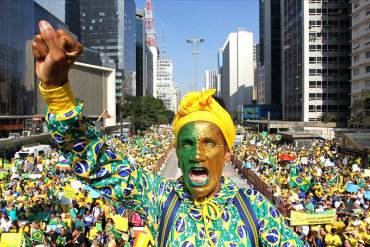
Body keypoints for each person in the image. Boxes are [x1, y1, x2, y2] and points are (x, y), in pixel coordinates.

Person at [33, 20, 304, 246]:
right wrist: (57, 91)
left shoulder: (254, 208)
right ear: (176, 152)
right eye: (187, 144)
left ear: (227, 154)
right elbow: (98, 162)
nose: (196, 154)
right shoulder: (159, 197)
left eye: (208, 143)